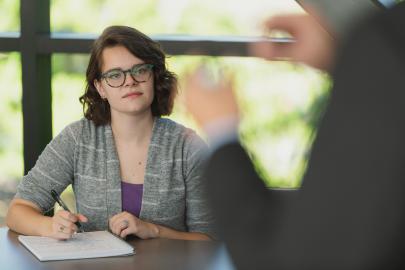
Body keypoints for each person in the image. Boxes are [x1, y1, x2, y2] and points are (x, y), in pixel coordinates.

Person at [185, 2, 405, 269]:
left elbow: (295, 258)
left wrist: (221, 131)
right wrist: (344, 60)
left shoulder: (386, 41)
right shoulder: (385, 43)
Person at [6, 25, 213, 241]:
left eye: (140, 70)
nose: (129, 81)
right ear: (100, 87)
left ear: (154, 76)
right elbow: (18, 211)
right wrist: (51, 225)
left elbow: (213, 239)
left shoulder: (188, 147)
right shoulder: (78, 139)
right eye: (115, 75)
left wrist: (154, 230)